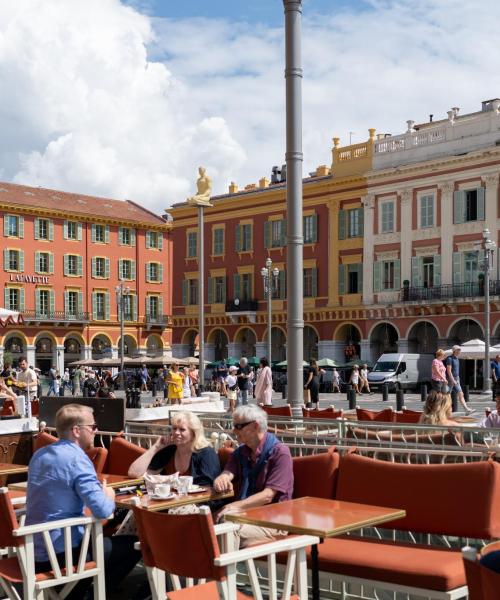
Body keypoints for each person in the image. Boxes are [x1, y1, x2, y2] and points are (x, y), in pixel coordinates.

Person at [26, 404, 140, 598]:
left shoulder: (39, 455)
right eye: (93, 426)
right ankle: (92, 594)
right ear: (77, 431)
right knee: (136, 545)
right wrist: (109, 496)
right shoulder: (77, 459)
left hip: (33, 550)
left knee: (104, 543)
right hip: (62, 554)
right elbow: (103, 511)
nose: (96, 430)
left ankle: (78, 591)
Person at [214, 405, 293, 549]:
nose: (234, 431)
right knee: (205, 524)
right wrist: (221, 479)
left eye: (238, 426)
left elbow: (268, 495)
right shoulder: (241, 452)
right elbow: (228, 473)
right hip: (244, 515)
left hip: (274, 521)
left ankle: (223, 572)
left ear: (255, 426)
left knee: (226, 530)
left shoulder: (280, 453)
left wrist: (233, 505)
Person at [128, 410, 220, 486]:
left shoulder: (206, 453)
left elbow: (207, 488)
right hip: (166, 503)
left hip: (195, 505)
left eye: (182, 429)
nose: (176, 432)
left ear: (194, 433)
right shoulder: (170, 450)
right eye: (174, 428)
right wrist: (156, 447)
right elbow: (133, 473)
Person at [445, 345, 473, 414]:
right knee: (447, 395)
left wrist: (456, 379)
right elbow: (449, 371)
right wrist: (452, 380)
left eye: (460, 350)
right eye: (458, 350)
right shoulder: (449, 359)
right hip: (450, 379)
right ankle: (443, 409)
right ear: (454, 351)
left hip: (457, 378)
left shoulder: (457, 359)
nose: (459, 351)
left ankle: (466, 409)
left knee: (461, 393)